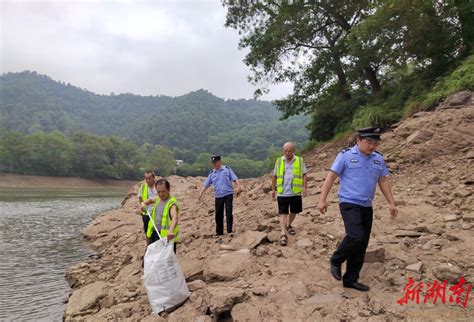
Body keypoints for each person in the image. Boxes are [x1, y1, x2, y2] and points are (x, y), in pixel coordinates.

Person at [318, 127, 398, 291]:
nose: (372, 146)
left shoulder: (378, 159)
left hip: (367, 205)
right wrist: (322, 199)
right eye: (369, 142)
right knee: (355, 236)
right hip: (349, 202)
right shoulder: (346, 155)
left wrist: (391, 202)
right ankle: (336, 259)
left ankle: (351, 279)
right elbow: (331, 177)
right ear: (359, 140)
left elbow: (382, 181)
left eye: (375, 143)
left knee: (362, 243)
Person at [271, 142, 308, 246]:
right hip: (282, 192)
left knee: (294, 211)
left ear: (294, 151)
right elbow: (274, 176)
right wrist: (273, 190)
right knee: (283, 213)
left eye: (289, 151)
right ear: (283, 151)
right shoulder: (279, 161)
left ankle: (289, 224)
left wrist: (305, 188)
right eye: (285, 151)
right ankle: (283, 233)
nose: (287, 153)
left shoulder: (300, 161)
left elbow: (304, 174)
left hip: (295, 192)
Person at [198, 155, 241, 240]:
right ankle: (219, 232)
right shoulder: (212, 173)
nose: (214, 165)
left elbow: (235, 178)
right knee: (218, 214)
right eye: (213, 163)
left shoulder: (227, 169)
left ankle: (230, 231)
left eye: (216, 163)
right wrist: (200, 193)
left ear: (220, 162)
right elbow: (206, 184)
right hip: (218, 196)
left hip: (228, 194)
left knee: (229, 212)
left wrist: (238, 186)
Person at [146, 179, 179, 253]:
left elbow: (174, 217)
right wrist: (144, 204)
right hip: (154, 234)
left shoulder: (172, 203)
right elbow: (150, 200)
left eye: (163, 191)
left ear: (168, 189)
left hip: (165, 238)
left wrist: (170, 231)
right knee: (150, 260)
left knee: (165, 262)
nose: (161, 194)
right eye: (158, 192)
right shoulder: (158, 198)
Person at [137, 171, 157, 242]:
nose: (148, 180)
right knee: (147, 231)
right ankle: (149, 246)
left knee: (156, 231)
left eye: (149, 178)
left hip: (157, 212)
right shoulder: (143, 187)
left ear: (154, 178)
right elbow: (140, 198)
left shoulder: (159, 185)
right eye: (146, 178)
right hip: (146, 213)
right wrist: (142, 205)